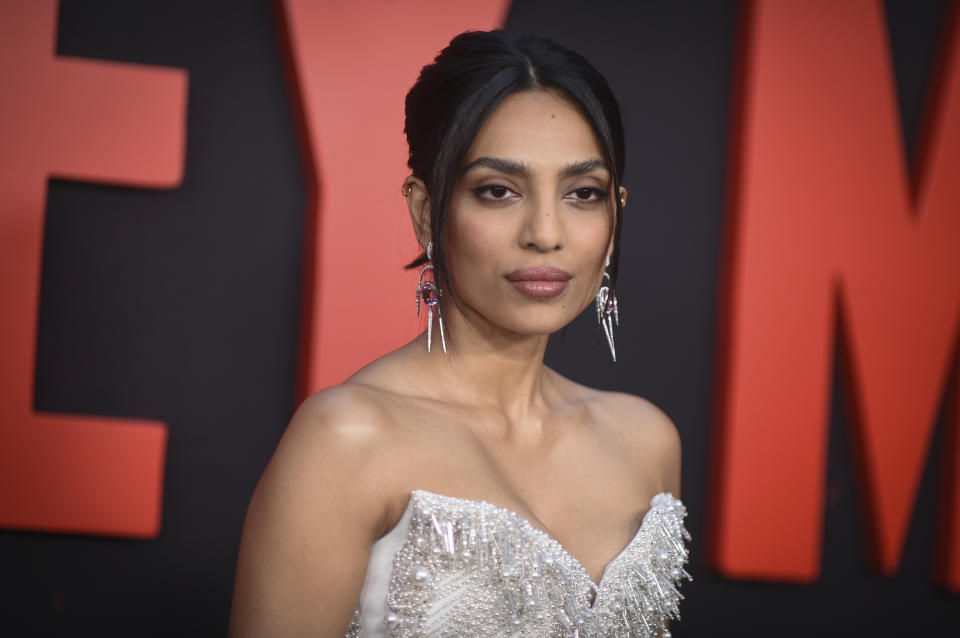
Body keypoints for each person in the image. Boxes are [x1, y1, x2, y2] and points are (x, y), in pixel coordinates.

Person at [229, 29, 690, 638]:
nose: (546, 232)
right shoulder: (347, 439)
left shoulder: (646, 442)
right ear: (426, 211)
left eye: (583, 193)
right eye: (498, 191)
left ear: (615, 213)